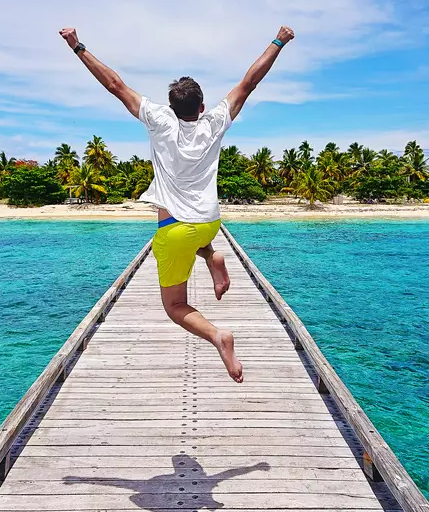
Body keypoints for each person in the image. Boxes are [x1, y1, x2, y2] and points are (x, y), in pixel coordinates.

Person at [59, 25, 295, 382]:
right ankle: (213, 255)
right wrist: (279, 40)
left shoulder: (158, 120)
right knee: (197, 237)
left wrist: (77, 46)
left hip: (175, 230)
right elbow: (249, 83)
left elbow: (115, 85)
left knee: (174, 306)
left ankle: (218, 336)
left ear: (170, 107)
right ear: (201, 107)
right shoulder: (214, 122)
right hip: (210, 223)